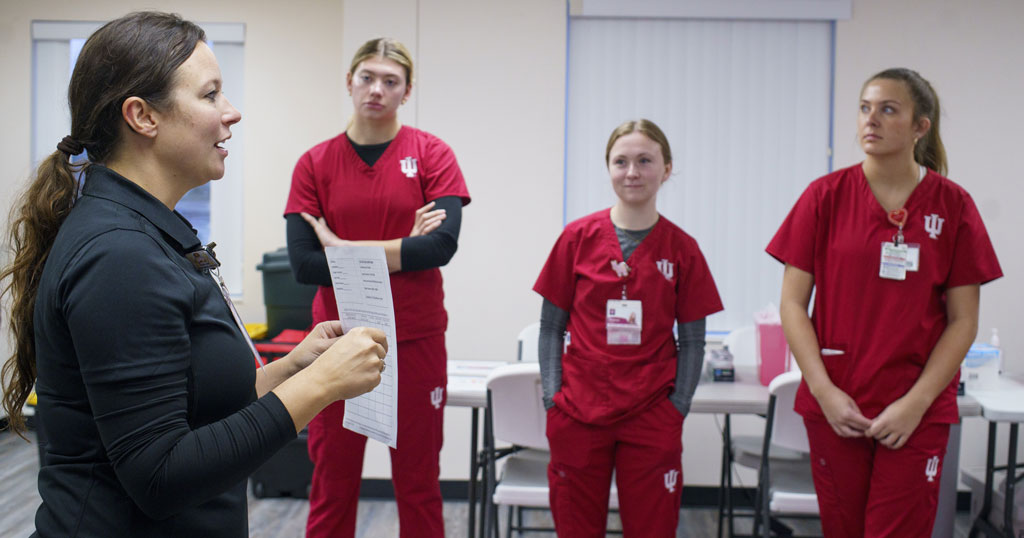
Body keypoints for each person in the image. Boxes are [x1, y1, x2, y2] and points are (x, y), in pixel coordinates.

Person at [0, 12, 388, 538]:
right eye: (210, 95)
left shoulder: (145, 230)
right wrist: (319, 387)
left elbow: (193, 407)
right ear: (142, 116)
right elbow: (160, 475)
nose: (232, 113)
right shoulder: (119, 256)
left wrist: (293, 369)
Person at [767, 68, 1002, 537]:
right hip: (839, 404)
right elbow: (792, 305)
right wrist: (824, 391)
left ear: (921, 127)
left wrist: (915, 404)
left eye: (888, 109)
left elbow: (963, 322)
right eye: (864, 108)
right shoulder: (824, 197)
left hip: (915, 409)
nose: (870, 120)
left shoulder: (953, 207)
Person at [284, 37, 470, 538]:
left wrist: (340, 248)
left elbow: (440, 248)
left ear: (406, 92)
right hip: (337, 341)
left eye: (391, 81)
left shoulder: (432, 154)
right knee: (332, 483)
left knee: (418, 483)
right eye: (367, 76)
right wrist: (400, 245)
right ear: (349, 81)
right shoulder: (314, 163)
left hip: (415, 341)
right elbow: (303, 264)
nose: (376, 89)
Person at [533, 119, 723, 536]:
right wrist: (553, 397)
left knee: (653, 528)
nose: (632, 172)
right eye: (621, 161)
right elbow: (550, 329)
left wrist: (679, 407)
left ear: (666, 169)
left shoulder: (683, 249)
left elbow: (693, 341)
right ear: (608, 168)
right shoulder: (577, 239)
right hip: (578, 411)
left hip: (653, 413)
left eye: (644, 161)